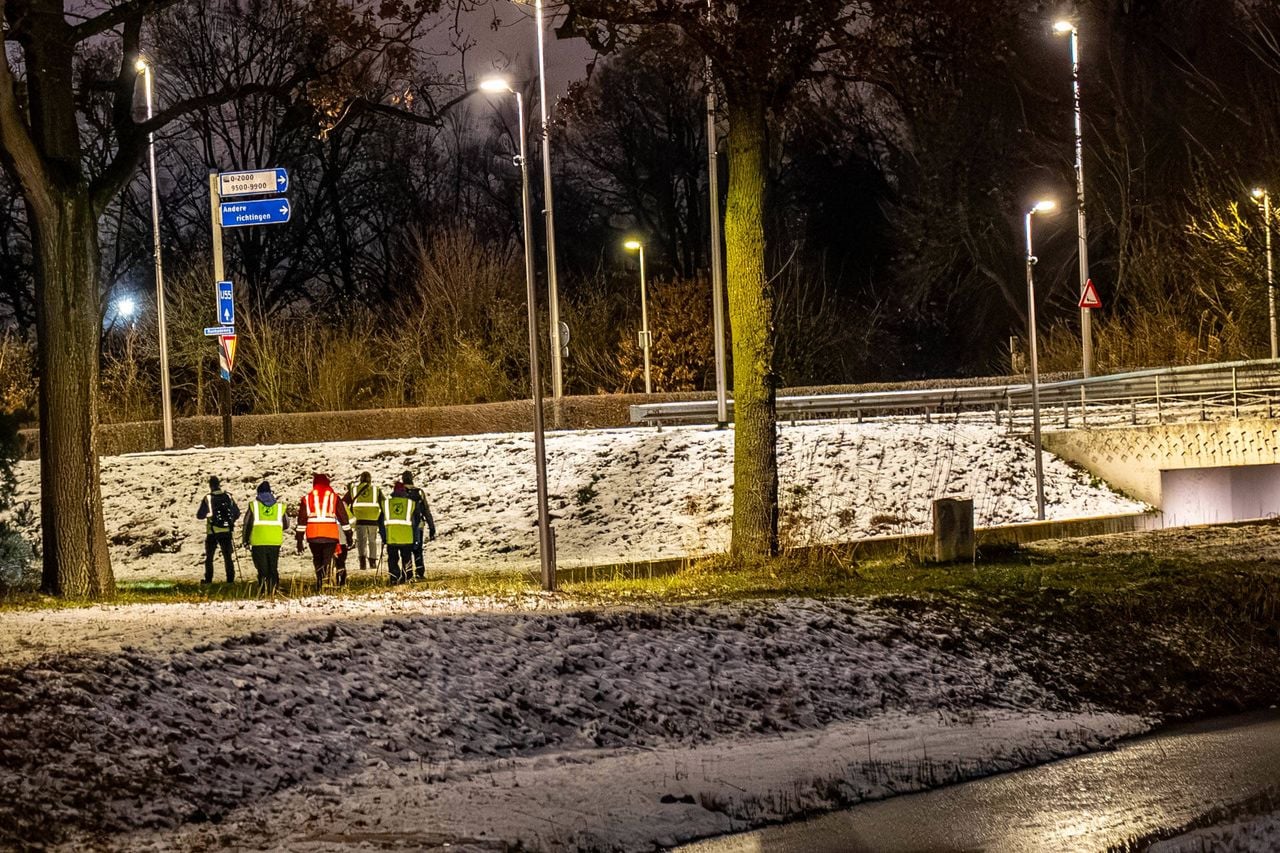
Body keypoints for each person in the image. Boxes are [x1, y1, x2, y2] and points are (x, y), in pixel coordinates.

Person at [296, 473, 352, 590]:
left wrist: (299, 540)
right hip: (330, 534)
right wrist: (348, 535)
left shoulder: (307, 498)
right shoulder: (333, 497)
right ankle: (326, 582)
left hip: (313, 535)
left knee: (317, 559)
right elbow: (343, 518)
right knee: (327, 559)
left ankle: (320, 580)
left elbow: (301, 520)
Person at [241, 480, 288, 592]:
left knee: (262, 569)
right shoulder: (279, 507)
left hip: (258, 541)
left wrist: (245, 540)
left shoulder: (254, 506)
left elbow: (247, 524)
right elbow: (286, 524)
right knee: (273, 567)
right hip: (274, 541)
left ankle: (263, 589)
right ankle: (274, 589)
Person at [379, 481, 426, 584]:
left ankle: (394, 578)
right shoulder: (410, 504)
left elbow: (380, 522)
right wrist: (415, 535)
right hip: (407, 537)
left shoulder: (386, 504)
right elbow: (416, 520)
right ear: (404, 492)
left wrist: (383, 536)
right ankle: (408, 577)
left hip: (391, 538)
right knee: (407, 558)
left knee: (392, 559)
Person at [196, 476, 240, 584]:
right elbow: (237, 512)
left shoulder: (208, 498)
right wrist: (230, 522)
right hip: (226, 531)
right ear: (219, 484)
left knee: (209, 557)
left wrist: (209, 516)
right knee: (227, 557)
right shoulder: (228, 496)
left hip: (212, 532)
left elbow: (199, 515)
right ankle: (230, 579)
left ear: (210, 485)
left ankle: (208, 579)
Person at [344, 471, 384, 573]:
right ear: (370, 480)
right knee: (372, 540)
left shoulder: (354, 490)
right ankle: (373, 562)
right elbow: (384, 503)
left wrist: (350, 516)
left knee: (361, 541)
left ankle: (362, 562)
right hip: (373, 519)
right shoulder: (376, 490)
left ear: (360, 479)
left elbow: (343, 503)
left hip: (359, 519)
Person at [401, 470, 437, 580]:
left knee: (406, 550)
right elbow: (426, 510)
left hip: (405, 526)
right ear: (412, 479)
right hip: (419, 525)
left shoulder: (400, 492)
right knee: (418, 550)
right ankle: (420, 572)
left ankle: (407, 573)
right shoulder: (419, 492)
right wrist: (432, 527)